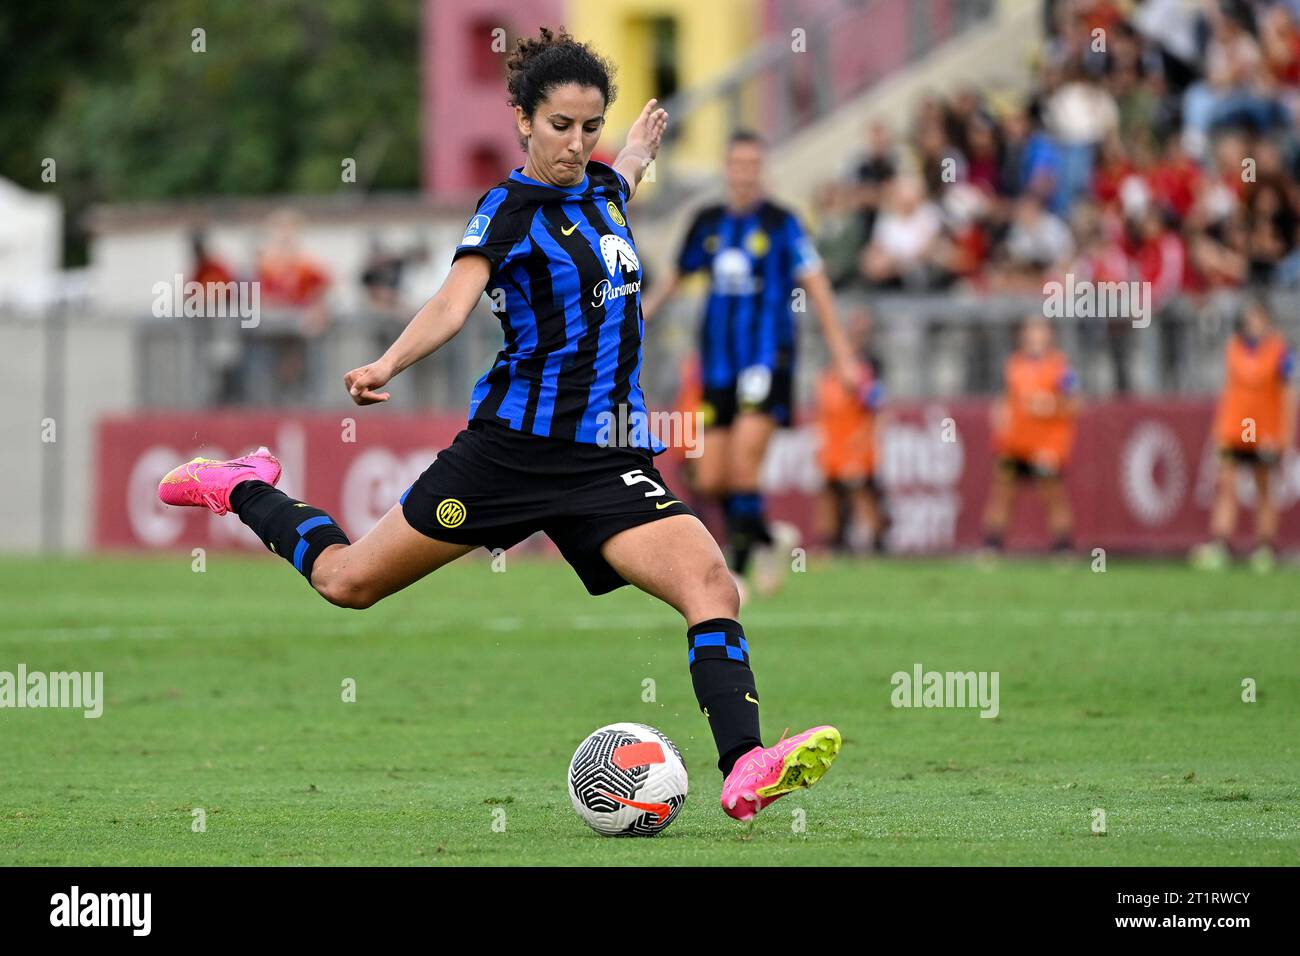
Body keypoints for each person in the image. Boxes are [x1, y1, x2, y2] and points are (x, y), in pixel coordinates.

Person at [155, 27, 839, 823]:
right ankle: (240, 487)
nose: (576, 144)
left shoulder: (604, 189)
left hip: (607, 461)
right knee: (348, 582)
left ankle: (744, 763)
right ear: (522, 119)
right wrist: (387, 364)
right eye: (560, 127)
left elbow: (618, 182)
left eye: (591, 127)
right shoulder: (507, 210)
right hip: (509, 456)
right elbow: (453, 301)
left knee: (712, 582)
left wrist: (639, 156)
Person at [642, 130, 860, 596]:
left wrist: (843, 354)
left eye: (751, 166)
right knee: (712, 474)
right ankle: (767, 537)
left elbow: (817, 287)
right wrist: (636, 318)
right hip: (717, 365)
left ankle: (734, 575)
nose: (743, 174)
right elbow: (673, 280)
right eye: (736, 165)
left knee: (744, 465)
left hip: (767, 360)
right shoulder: (707, 221)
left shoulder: (784, 224)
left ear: (762, 172)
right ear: (727, 170)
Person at [1192, 295, 1296, 572]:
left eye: (1259, 317)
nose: (1254, 323)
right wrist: (1218, 429)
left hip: (1263, 429)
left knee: (1263, 486)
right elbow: (1229, 391)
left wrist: (1286, 433)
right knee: (1225, 483)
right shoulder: (1234, 347)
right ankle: (1221, 543)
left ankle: (1265, 546)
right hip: (1233, 429)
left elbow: (1288, 393)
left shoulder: (1279, 351)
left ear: (1268, 320)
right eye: (1250, 318)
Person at [981, 316, 1080, 557]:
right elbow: (1004, 399)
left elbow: (1076, 403)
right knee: (1003, 492)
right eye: (1031, 331)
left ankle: (1063, 547)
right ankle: (992, 546)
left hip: (1046, 444)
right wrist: (1000, 414)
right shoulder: (1014, 364)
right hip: (1014, 443)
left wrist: (1052, 405)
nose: (1036, 337)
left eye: (1041, 331)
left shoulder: (1060, 366)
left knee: (1052, 493)